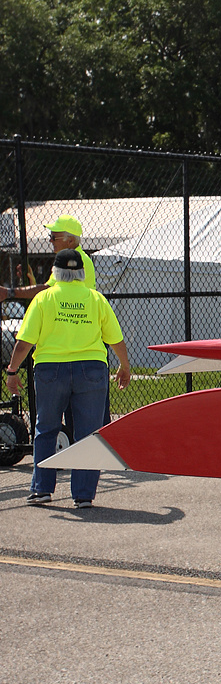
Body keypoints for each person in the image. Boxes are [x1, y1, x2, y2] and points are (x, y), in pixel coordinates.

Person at [4, 249, 130, 509]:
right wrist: (124, 365)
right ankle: (83, 495)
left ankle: (42, 489)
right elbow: (115, 339)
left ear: (55, 273)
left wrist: (12, 371)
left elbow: (24, 341)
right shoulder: (95, 299)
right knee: (88, 433)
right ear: (82, 273)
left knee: (46, 428)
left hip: (51, 369)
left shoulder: (44, 298)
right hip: (91, 369)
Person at [7, 215, 95, 299]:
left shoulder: (79, 260)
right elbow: (48, 292)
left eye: (54, 237)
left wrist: (8, 293)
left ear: (70, 240)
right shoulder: (73, 258)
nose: (50, 240)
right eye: (50, 236)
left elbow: (47, 291)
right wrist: (32, 282)